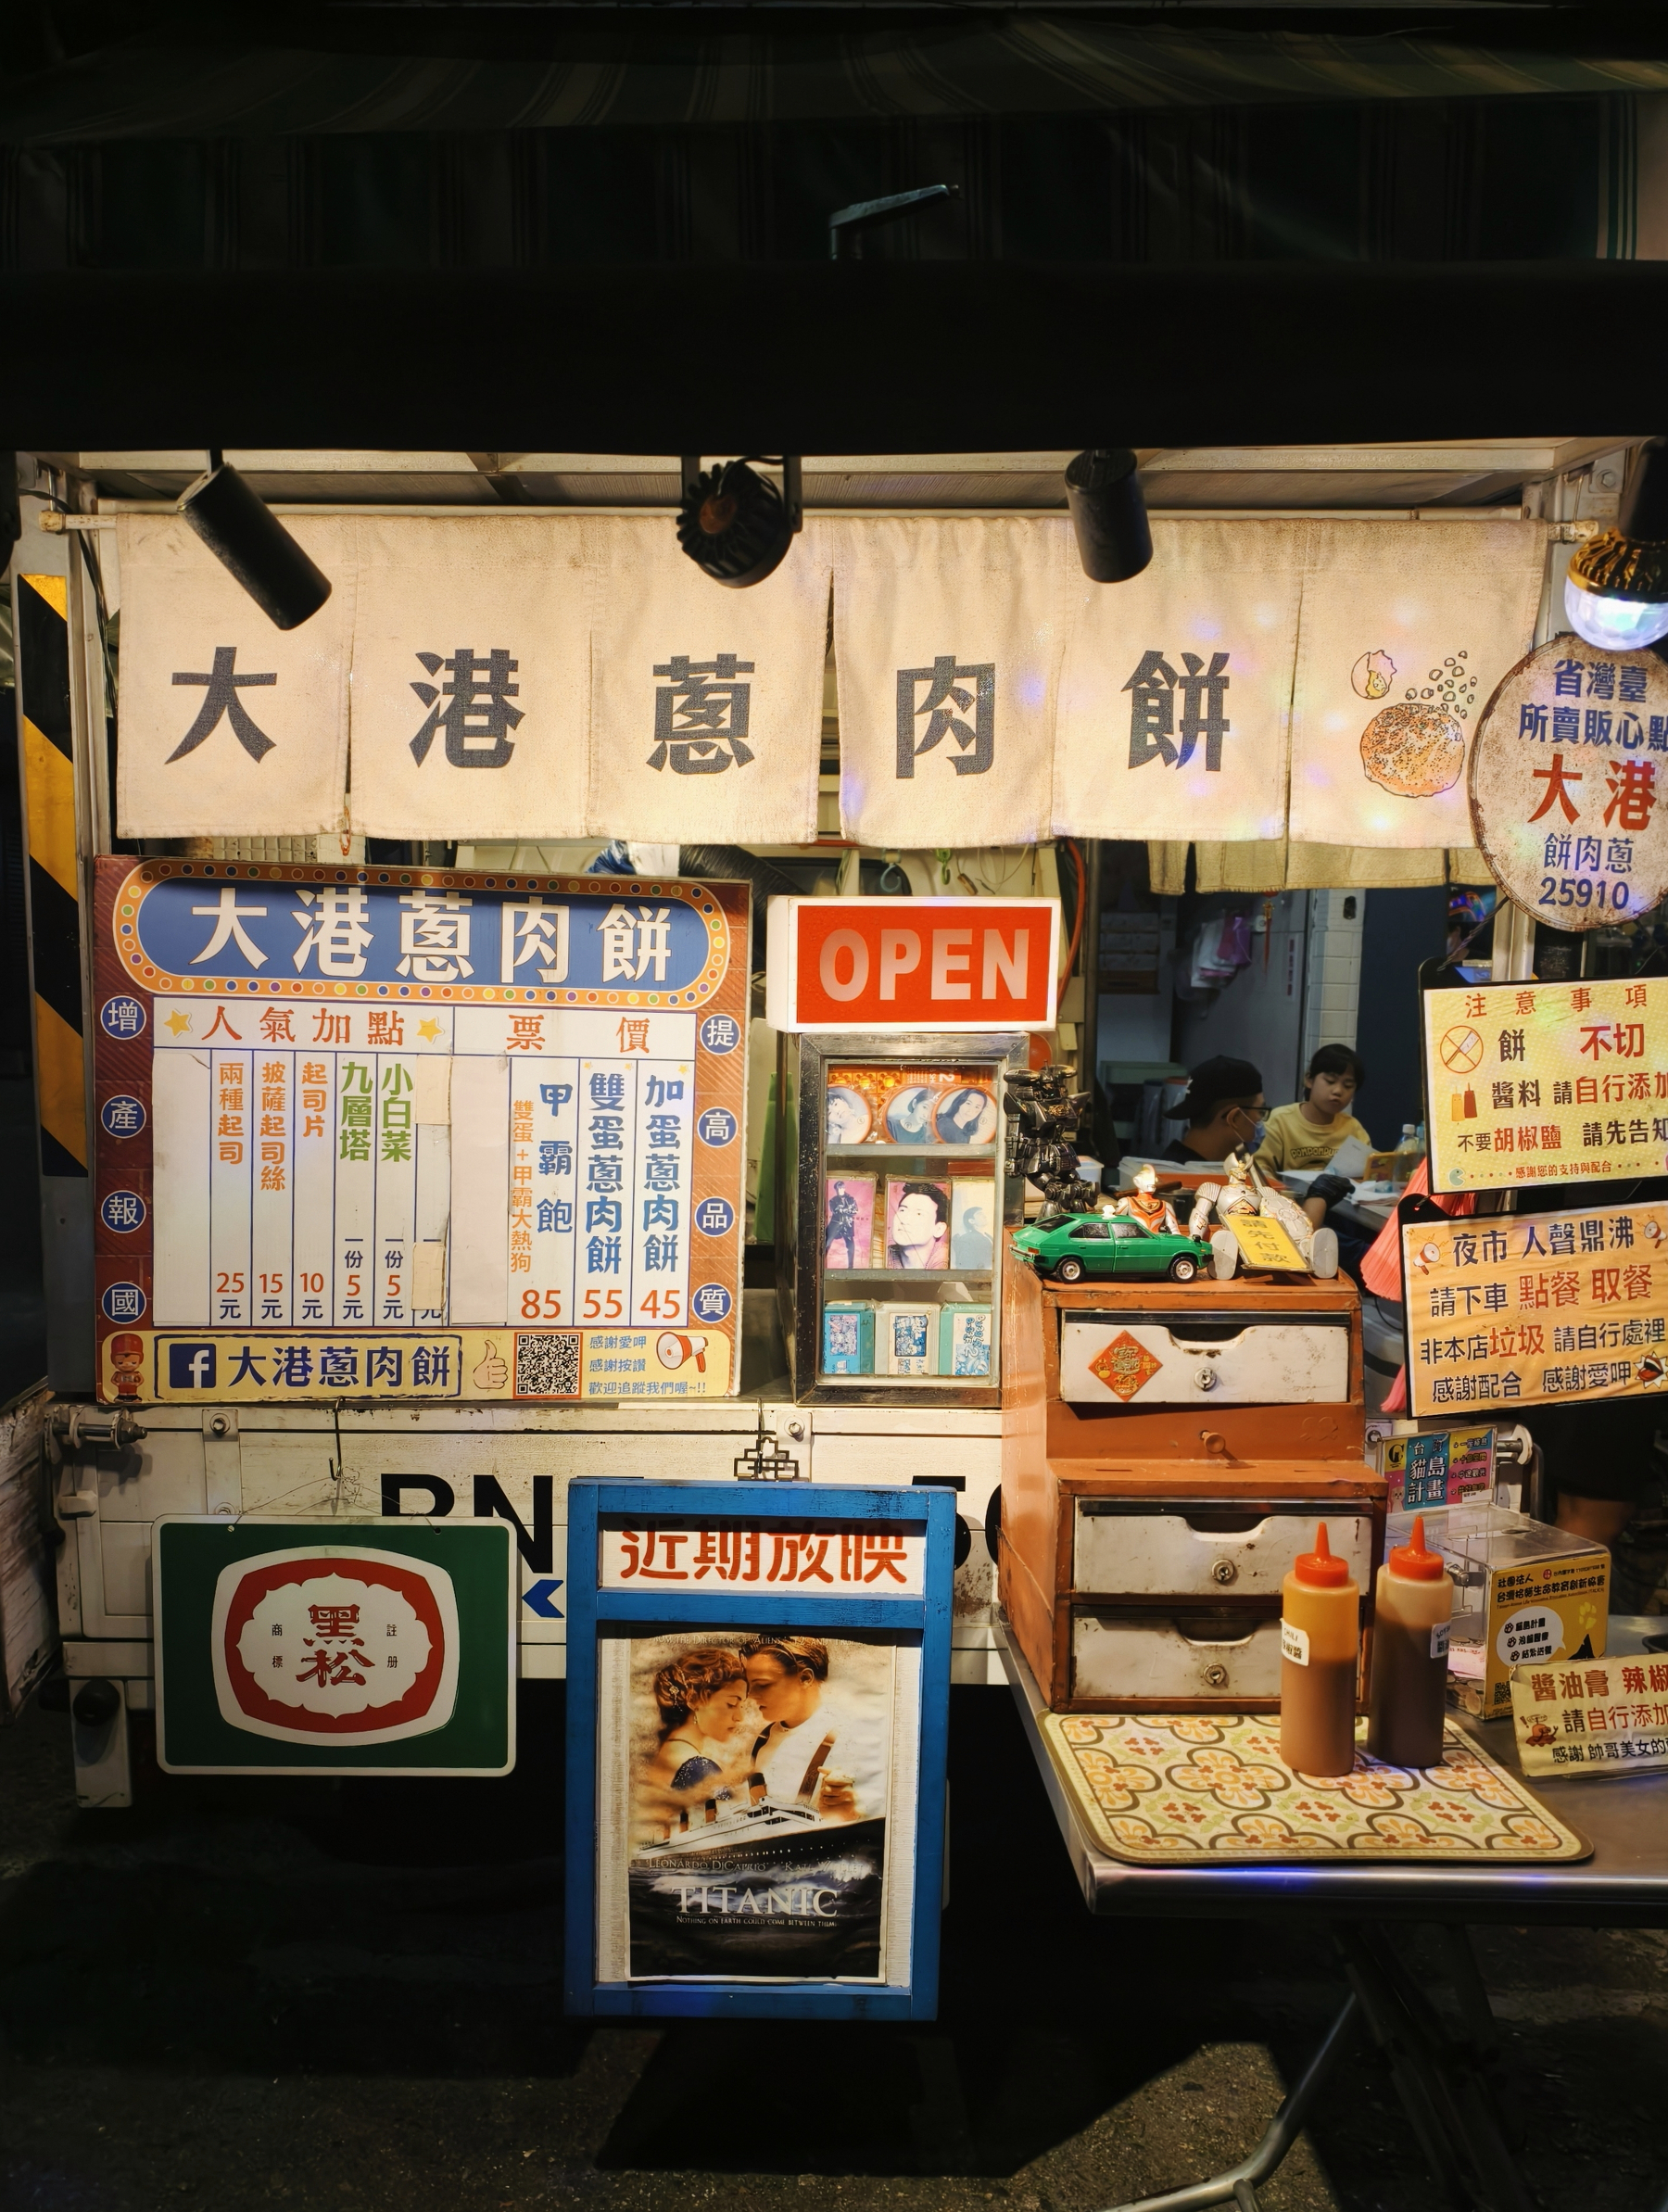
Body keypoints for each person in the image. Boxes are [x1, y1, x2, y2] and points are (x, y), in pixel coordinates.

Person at [739, 1634, 889, 1824]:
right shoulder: (760, 1741)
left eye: (763, 1685)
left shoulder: (857, 1735)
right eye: (750, 1686)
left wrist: (854, 1812)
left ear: (805, 1678)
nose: (751, 1696)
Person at [646, 1646, 755, 1799]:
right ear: (694, 1700)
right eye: (731, 1704)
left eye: (741, 1706)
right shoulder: (698, 1768)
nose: (740, 1717)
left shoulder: (670, 1752)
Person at [1255, 1044, 1372, 1180]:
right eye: (1330, 1081)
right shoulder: (1279, 1121)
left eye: (1348, 1086)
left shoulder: (1354, 1129)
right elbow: (1260, 1170)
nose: (1338, 1091)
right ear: (1309, 1080)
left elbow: (1366, 1177)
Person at [1154, 1056, 1265, 1166]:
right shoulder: (1195, 1182)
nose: (1262, 1121)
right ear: (1235, 1118)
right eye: (1260, 1112)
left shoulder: (1172, 1168)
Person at [887, 1181, 949, 1268]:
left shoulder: (949, 1260)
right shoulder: (883, 1257)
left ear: (939, 1229)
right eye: (902, 1210)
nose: (905, 1220)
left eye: (919, 1214)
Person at [824, 1179, 858, 1269]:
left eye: (841, 1188)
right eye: (838, 1189)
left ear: (844, 1188)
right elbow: (835, 1210)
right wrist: (846, 1210)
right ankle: (821, 1264)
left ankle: (851, 1266)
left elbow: (855, 1210)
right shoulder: (833, 1200)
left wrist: (843, 1210)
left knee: (851, 1245)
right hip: (836, 1223)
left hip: (847, 1224)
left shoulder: (851, 1199)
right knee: (826, 1242)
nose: (840, 1190)